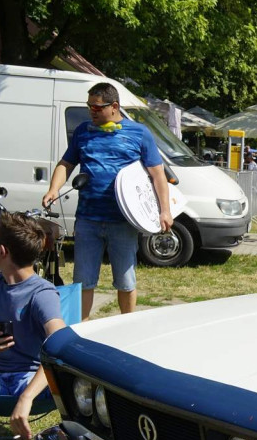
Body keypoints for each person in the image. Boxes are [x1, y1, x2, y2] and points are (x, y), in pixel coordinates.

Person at [43, 82, 171, 319]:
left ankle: (127, 326)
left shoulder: (139, 133)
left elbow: (158, 175)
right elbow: (66, 164)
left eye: (97, 107)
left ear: (114, 106)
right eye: (89, 106)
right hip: (87, 220)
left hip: (123, 222)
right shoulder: (83, 131)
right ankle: (81, 330)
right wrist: (53, 189)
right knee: (83, 281)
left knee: (125, 281)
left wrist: (165, 211)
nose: (91, 111)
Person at [0, 213, 67, 440]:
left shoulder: (41, 293)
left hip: (30, 383)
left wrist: (26, 397)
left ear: (2, 251)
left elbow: (60, 343)